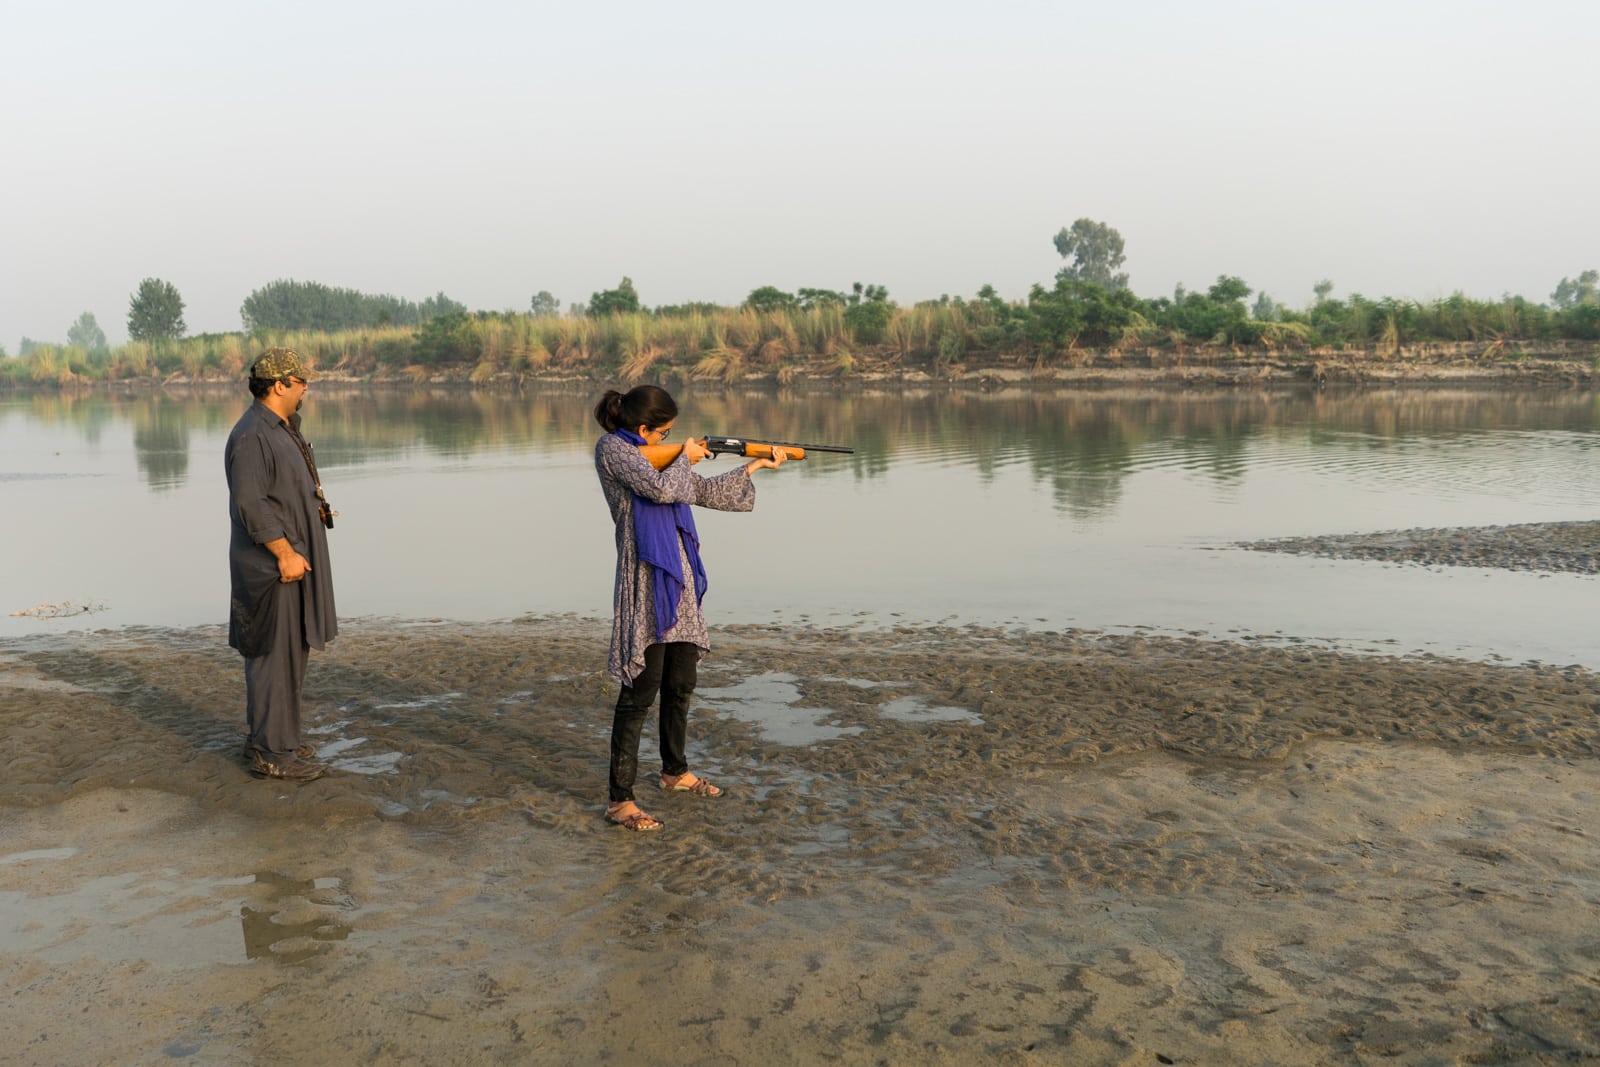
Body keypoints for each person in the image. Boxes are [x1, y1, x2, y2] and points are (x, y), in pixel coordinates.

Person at [594, 384, 789, 830]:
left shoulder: (665, 457)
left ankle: (674, 771)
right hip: (645, 577)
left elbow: (698, 491)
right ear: (642, 428)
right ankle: (619, 801)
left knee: (681, 681)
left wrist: (755, 464)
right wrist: (683, 456)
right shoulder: (614, 451)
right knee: (641, 691)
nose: (666, 440)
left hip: (678, 577)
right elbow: (662, 489)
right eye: (662, 434)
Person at [225, 347, 338, 782]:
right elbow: (250, 503)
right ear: (278, 385)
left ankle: (278, 740)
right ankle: (272, 753)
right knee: (272, 656)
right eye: (299, 381)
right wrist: (286, 553)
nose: (306, 387)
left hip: (288, 564)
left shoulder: (280, 427)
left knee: (291, 654)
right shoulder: (253, 435)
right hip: (271, 568)